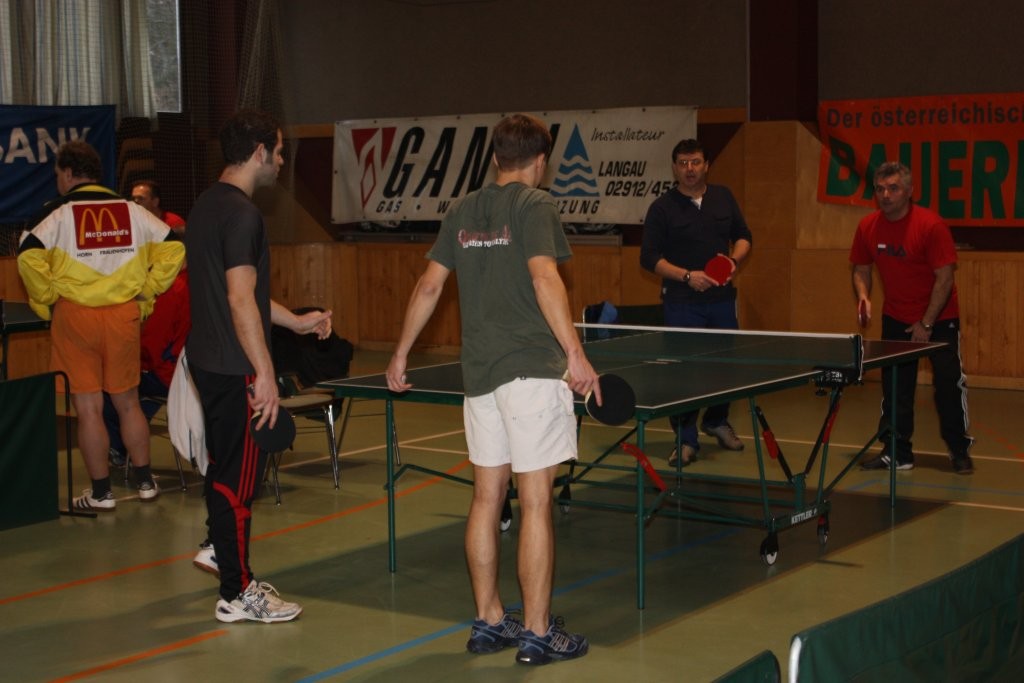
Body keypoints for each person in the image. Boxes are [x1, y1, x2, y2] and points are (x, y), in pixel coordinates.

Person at [385, 113, 598, 666]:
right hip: (531, 372)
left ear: (496, 158)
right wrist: (575, 353)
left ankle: (488, 620)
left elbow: (429, 285)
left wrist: (401, 351)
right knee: (535, 502)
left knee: (486, 497)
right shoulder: (535, 204)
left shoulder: (461, 209)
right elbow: (545, 277)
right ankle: (537, 632)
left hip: (479, 377)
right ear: (540, 161)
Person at [184, 109, 332, 624]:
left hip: (207, 361)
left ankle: (217, 548)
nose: (282, 160)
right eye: (279, 150)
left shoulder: (206, 205)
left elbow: (239, 292)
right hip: (236, 367)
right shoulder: (245, 216)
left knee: (223, 467)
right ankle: (238, 591)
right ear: (259, 152)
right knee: (240, 482)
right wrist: (265, 373)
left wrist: (296, 322)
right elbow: (240, 298)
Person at [16, 140, 184, 510]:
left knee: (89, 408)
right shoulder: (132, 210)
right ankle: (145, 482)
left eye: (58, 174)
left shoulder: (55, 213)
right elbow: (174, 248)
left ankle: (102, 493)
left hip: (76, 317)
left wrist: (47, 299)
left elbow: (27, 258)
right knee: (128, 403)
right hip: (123, 315)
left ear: (68, 173)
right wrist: (147, 290)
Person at [851, 161, 974, 475]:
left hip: (939, 318)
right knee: (895, 389)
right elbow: (861, 269)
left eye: (893, 188)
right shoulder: (867, 227)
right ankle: (897, 452)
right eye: (880, 189)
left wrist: (926, 324)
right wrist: (863, 295)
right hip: (896, 316)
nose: (885, 195)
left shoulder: (931, 226)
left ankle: (958, 450)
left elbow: (945, 279)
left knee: (948, 385)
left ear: (909, 191)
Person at [640, 138, 753, 467]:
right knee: (684, 373)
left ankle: (716, 420)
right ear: (675, 168)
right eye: (683, 163)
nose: (690, 169)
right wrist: (687, 276)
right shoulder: (662, 207)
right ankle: (685, 439)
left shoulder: (723, 197)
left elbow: (744, 236)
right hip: (681, 302)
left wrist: (733, 260)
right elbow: (649, 258)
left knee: (724, 366)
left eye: (696, 162)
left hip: (721, 300)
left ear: (706, 165)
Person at [103, 262, 190, 467]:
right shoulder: (203, 280)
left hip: (170, 375)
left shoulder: (172, 288)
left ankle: (119, 449)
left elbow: (152, 346)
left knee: (109, 385)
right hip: (192, 374)